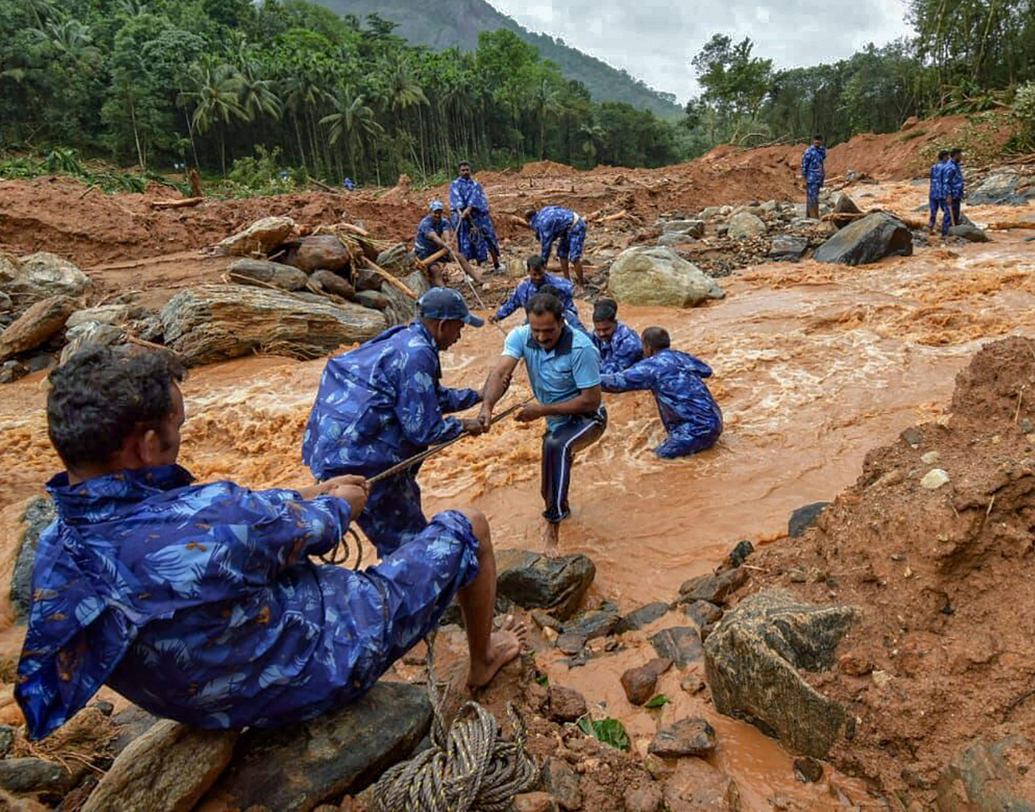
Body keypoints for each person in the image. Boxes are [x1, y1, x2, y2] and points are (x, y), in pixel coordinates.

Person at [16, 346, 524, 741]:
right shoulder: (221, 516)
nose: (181, 433)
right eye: (178, 425)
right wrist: (342, 498)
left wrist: (306, 493)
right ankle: (482, 660)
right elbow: (327, 523)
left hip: (196, 704)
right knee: (469, 524)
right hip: (304, 676)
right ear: (147, 445)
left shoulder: (54, 548)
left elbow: (212, 517)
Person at [304, 288, 486, 555]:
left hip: (333, 449)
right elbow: (422, 431)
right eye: (459, 328)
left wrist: (477, 396)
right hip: (359, 462)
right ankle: (411, 589)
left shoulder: (404, 338)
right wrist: (464, 426)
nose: (459, 337)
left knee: (405, 518)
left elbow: (426, 397)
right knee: (408, 542)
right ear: (443, 325)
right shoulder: (418, 354)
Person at [479, 292, 606, 554]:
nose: (541, 337)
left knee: (555, 447)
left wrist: (540, 410)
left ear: (562, 322)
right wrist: (487, 407)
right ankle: (561, 507)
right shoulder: (521, 336)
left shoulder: (581, 349)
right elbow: (501, 372)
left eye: (547, 331)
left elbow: (591, 401)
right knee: (549, 477)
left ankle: (553, 527)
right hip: (555, 419)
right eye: (535, 330)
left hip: (588, 418)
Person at [601, 327, 722, 459]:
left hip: (695, 430)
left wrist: (584, 379)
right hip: (715, 422)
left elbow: (617, 383)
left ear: (648, 347)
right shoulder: (681, 356)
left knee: (654, 460)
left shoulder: (651, 367)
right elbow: (706, 370)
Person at [490, 256, 576, 325]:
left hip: (559, 319)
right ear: (528, 272)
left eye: (540, 274)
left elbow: (570, 308)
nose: (538, 277)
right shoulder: (523, 288)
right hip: (534, 320)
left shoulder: (561, 285)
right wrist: (498, 316)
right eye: (534, 274)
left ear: (545, 268)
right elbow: (512, 303)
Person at [450, 161, 502, 272]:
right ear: (459, 172)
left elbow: (476, 199)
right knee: (465, 244)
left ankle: (496, 264)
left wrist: (469, 209)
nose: (465, 172)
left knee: (489, 238)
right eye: (463, 170)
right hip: (463, 219)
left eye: (467, 170)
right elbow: (456, 199)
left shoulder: (475, 185)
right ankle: (468, 272)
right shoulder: (455, 184)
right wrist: (460, 212)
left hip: (479, 216)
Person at [525, 206, 587, 290]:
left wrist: (542, 265)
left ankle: (581, 285)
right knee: (562, 254)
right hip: (566, 230)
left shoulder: (543, 224)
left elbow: (546, 248)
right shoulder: (543, 211)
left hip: (576, 227)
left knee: (574, 257)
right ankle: (567, 281)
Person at [591, 298, 643, 375]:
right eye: (598, 330)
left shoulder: (629, 343)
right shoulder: (595, 335)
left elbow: (612, 370)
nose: (602, 334)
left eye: (606, 329)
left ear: (615, 323)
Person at [413, 201, 454, 287]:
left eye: (439, 212)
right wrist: (445, 245)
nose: (437, 215)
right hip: (423, 251)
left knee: (457, 256)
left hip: (435, 249)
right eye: (435, 212)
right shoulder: (425, 224)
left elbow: (446, 232)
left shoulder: (444, 221)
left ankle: (475, 279)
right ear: (430, 212)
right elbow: (434, 237)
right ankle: (445, 291)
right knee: (435, 270)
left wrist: (448, 242)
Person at [801, 135, 826, 220]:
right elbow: (804, 165)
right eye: (816, 140)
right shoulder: (809, 151)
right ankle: (813, 216)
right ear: (813, 141)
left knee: (815, 197)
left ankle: (811, 215)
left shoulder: (821, 151)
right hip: (811, 178)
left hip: (818, 178)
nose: (817, 142)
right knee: (812, 197)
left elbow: (822, 161)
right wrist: (804, 177)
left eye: (819, 140)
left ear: (821, 141)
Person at [928, 151, 951, 235]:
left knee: (933, 211)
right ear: (945, 157)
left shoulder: (934, 167)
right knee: (947, 212)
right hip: (942, 193)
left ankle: (930, 227)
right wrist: (949, 194)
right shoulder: (947, 167)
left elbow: (931, 180)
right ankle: (945, 232)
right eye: (947, 157)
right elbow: (947, 182)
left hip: (933, 192)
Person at [945, 148, 965, 230]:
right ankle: (948, 231)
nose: (961, 157)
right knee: (951, 214)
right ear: (956, 155)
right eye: (960, 155)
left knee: (955, 213)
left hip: (957, 194)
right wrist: (948, 194)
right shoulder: (950, 167)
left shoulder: (956, 165)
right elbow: (946, 182)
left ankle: (953, 230)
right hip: (952, 195)